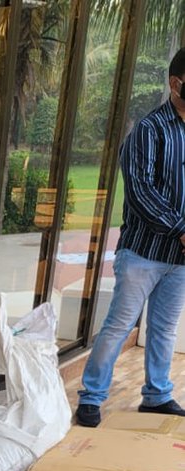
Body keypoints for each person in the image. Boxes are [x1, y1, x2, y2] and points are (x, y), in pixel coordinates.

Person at [76, 50, 185, 427]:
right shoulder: (149, 129)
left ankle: (157, 395)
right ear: (176, 84)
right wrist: (180, 230)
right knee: (119, 326)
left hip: (180, 260)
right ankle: (91, 396)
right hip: (143, 254)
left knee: (164, 329)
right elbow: (140, 191)